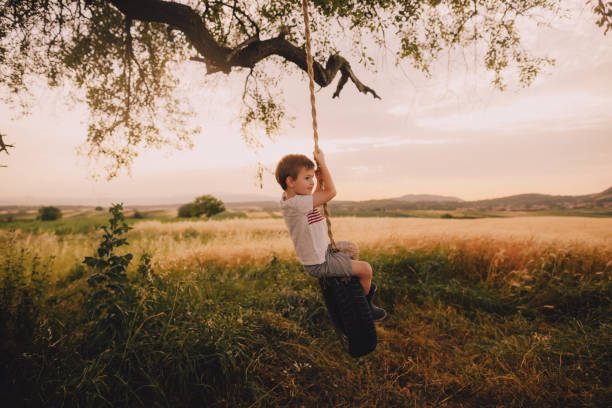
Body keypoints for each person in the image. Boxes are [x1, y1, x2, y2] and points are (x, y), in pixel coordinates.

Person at [275, 148, 386, 320]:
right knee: (365, 270)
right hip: (318, 263)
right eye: (307, 178)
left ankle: (348, 289)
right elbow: (330, 193)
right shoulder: (296, 204)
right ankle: (364, 308)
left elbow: (317, 197)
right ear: (290, 181)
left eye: (312, 177)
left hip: (323, 252)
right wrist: (323, 164)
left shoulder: (294, 200)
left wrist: (318, 181)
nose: (311, 182)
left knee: (352, 248)